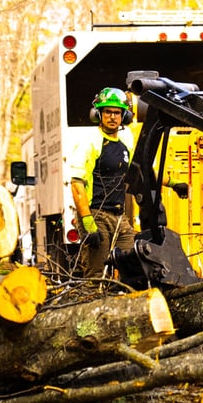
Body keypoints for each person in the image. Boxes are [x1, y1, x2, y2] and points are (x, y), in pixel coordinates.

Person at [70, 87, 136, 278]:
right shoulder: (89, 142)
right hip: (96, 214)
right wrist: (87, 220)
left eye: (117, 112)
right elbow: (77, 183)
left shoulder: (126, 140)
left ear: (124, 116)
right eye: (107, 111)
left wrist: (171, 182)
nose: (112, 117)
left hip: (119, 217)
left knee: (131, 268)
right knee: (97, 275)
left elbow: (138, 171)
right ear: (98, 114)